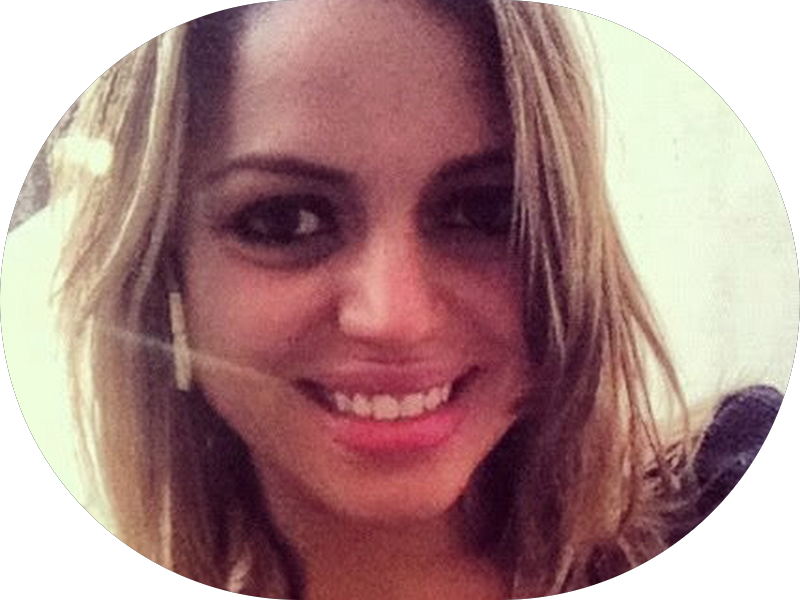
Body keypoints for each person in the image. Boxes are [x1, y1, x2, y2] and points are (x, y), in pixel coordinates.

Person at [18, 1, 780, 598]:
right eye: (285, 221)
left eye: (483, 210)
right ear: (166, 272)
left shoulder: (723, 474)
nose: (394, 318)